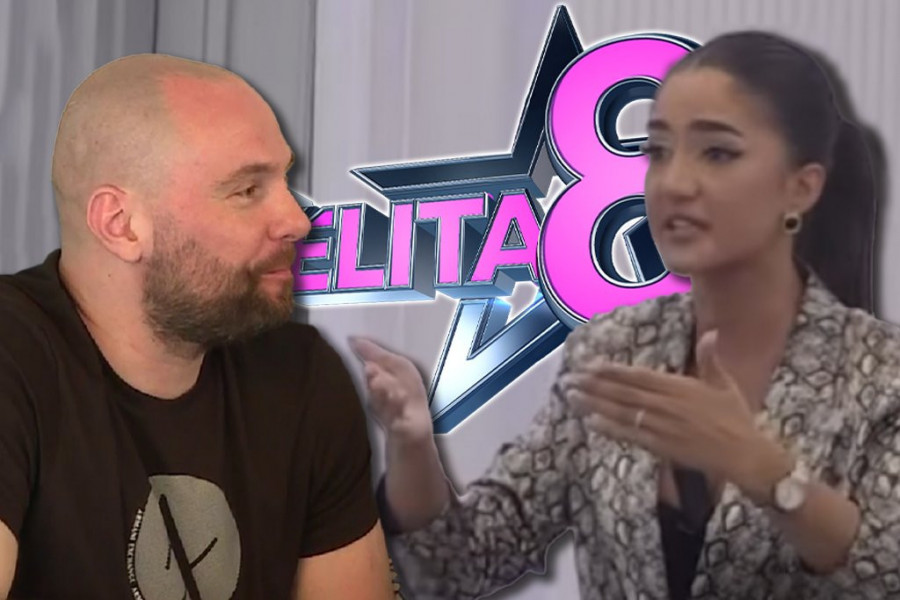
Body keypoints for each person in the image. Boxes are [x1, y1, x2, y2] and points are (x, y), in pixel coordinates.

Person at [351, 31, 900, 599]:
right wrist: (413, 448)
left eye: (717, 153)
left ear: (801, 188)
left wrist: (764, 470)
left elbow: (886, 571)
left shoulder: (883, 376)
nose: (675, 183)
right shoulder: (616, 347)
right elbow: (460, 563)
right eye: (658, 152)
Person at [0, 54, 397, 599]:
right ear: (121, 225)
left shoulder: (299, 375)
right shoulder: (14, 358)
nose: (296, 220)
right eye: (247, 190)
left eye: (283, 179)